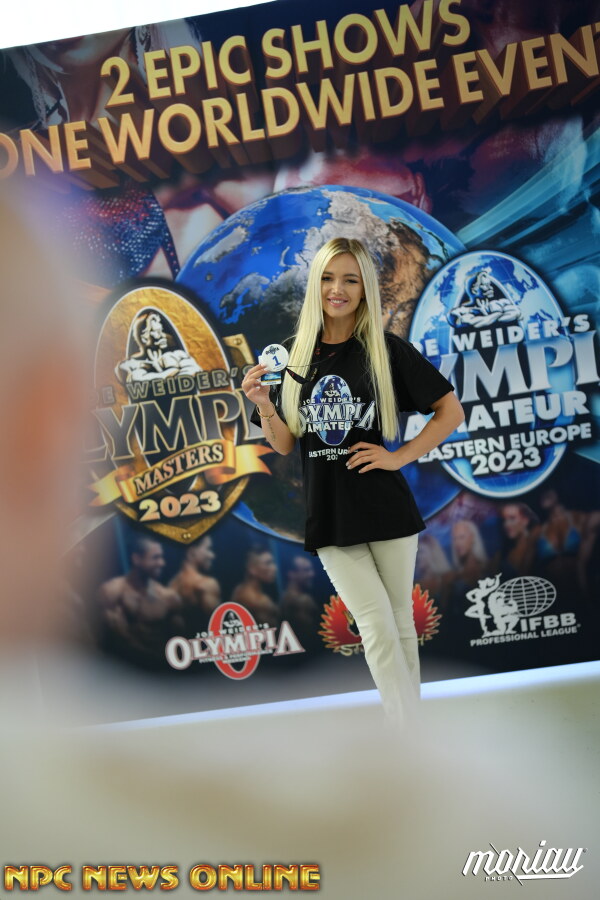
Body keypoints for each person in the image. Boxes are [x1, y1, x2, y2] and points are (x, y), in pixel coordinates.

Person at [243, 237, 464, 727]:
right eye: (327, 278)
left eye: (349, 279)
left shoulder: (385, 351)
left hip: (386, 505)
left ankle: (410, 734)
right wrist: (262, 404)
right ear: (315, 284)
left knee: (400, 623)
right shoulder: (292, 358)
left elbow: (450, 411)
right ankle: (408, 737)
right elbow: (285, 444)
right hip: (329, 513)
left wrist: (399, 456)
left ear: (365, 287)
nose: (337, 289)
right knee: (376, 624)